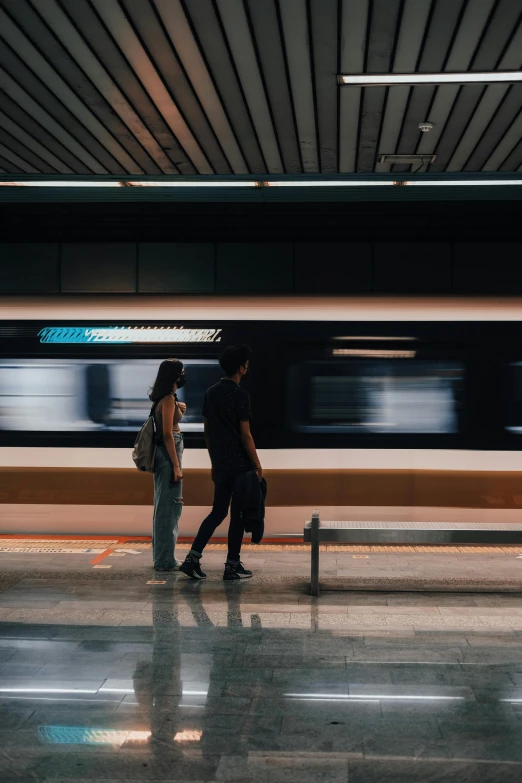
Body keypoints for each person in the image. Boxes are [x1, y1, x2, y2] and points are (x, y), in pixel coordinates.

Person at [180, 345, 262, 581]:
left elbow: (208, 430)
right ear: (240, 367)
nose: (247, 367)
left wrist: (215, 458)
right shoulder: (240, 394)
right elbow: (245, 434)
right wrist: (257, 464)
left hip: (221, 463)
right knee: (236, 515)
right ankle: (232, 565)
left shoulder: (211, 392)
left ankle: (192, 559)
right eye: (245, 364)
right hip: (240, 464)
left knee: (217, 512)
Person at [149, 358, 187, 572]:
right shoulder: (168, 400)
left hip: (164, 456)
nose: (183, 376)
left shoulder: (165, 399)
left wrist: (180, 410)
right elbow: (167, 435)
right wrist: (176, 466)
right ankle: (164, 560)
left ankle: (161, 556)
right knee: (169, 509)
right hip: (169, 456)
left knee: (163, 507)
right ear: (174, 376)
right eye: (181, 372)